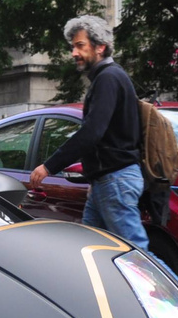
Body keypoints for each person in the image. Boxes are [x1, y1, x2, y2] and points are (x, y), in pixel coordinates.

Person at [30, 15, 145, 249]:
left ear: (100, 47)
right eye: (73, 46)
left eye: (80, 45)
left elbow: (92, 133)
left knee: (138, 256)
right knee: (94, 251)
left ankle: (167, 287)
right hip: (108, 180)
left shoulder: (109, 79)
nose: (74, 52)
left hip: (115, 180)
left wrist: (49, 166)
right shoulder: (109, 78)